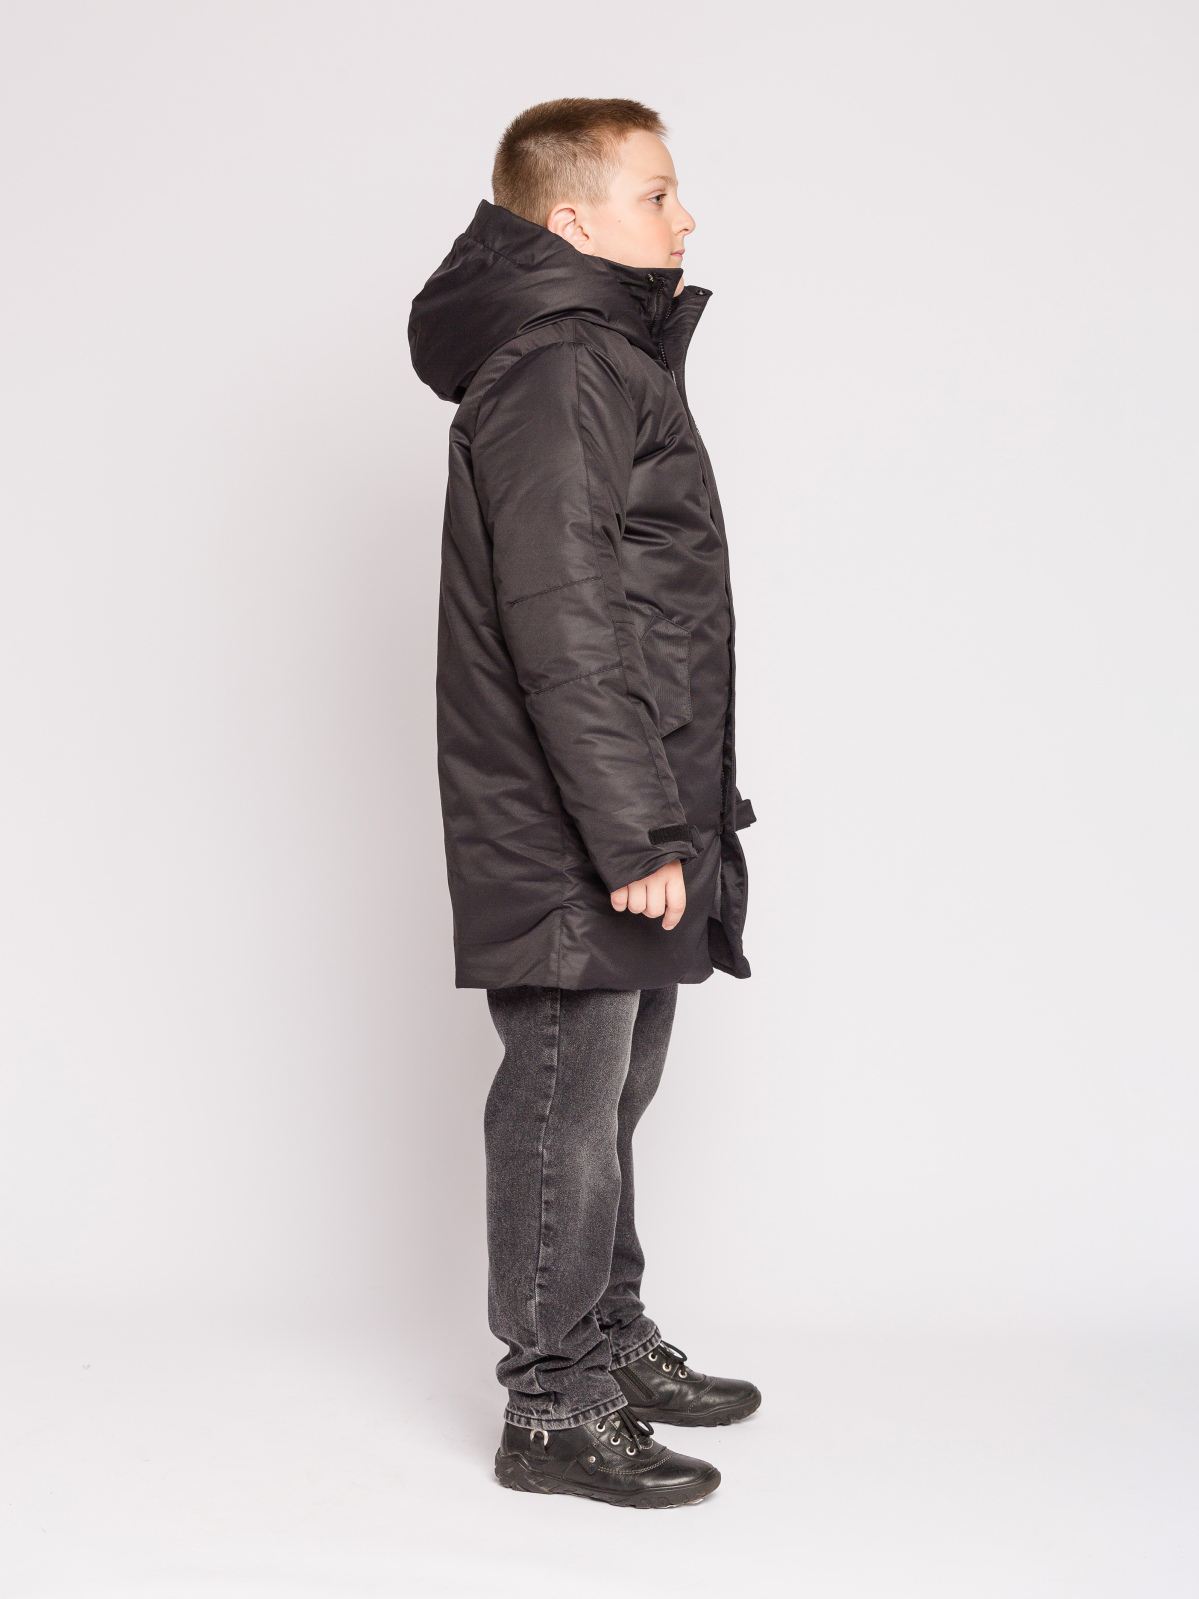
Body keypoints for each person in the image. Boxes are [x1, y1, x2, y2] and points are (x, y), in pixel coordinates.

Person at [409, 98, 759, 1509]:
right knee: (565, 1099)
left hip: (629, 804)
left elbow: (640, 602)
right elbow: (560, 616)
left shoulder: (599, 353)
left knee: (615, 1089)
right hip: (578, 822)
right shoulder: (560, 364)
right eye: (658, 195)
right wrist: (629, 831)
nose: (685, 219)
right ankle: (551, 1405)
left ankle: (606, 1336)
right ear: (573, 220)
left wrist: (670, 817)